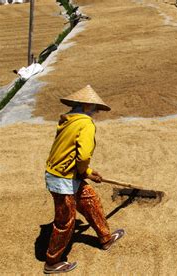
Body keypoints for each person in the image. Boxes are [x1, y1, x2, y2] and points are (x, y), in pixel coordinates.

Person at [43, 85, 125, 274]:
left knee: (90, 201)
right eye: (95, 108)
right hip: (62, 177)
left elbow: (71, 152)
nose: (96, 112)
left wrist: (87, 171)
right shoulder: (85, 123)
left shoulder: (68, 119)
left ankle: (105, 238)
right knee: (65, 221)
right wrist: (85, 171)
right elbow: (83, 154)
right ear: (87, 106)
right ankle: (52, 262)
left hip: (67, 174)